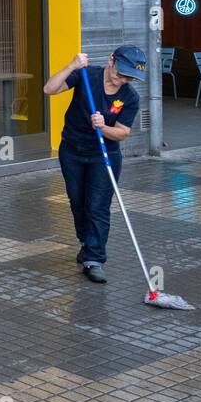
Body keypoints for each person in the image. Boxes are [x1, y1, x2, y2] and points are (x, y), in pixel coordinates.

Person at [42, 44, 146, 284]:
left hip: (104, 155)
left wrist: (103, 127)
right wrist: (72, 66)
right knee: (78, 202)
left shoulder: (129, 96)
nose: (123, 80)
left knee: (97, 206)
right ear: (111, 60)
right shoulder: (87, 75)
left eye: (129, 77)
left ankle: (94, 258)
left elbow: (122, 133)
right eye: (121, 73)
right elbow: (49, 89)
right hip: (72, 150)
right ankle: (86, 243)